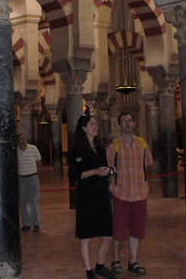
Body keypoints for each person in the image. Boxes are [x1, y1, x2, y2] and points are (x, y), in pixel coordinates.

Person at [69, 113, 116, 279]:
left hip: (101, 193)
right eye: (92, 124)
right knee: (86, 236)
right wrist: (94, 172)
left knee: (108, 235)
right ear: (84, 128)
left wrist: (110, 172)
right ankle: (89, 271)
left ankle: (100, 266)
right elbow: (74, 175)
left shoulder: (100, 148)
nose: (95, 127)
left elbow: (103, 169)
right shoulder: (77, 150)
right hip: (86, 195)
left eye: (96, 124)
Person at [107, 112, 153, 276]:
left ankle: (133, 260)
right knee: (118, 231)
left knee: (137, 230)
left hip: (140, 194)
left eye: (130, 120)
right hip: (121, 194)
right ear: (120, 125)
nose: (127, 123)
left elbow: (147, 165)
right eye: (124, 121)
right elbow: (109, 169)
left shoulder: (142, 144)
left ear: (134, 123)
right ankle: (116, 260)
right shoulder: (114, 147)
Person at [17, 133, 42, 231]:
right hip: (22, 178)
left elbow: (38, 162)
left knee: (34, 201)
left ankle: (36, 223)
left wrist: (37, 175)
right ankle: (26, 224)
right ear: (18, 141)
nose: (23, 141)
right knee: (23, 202)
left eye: (24, 138)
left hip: (32, 177)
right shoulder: (16, 152)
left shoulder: (33, 148)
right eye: (20, 139)